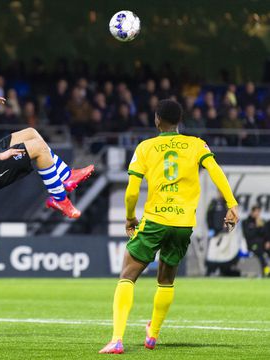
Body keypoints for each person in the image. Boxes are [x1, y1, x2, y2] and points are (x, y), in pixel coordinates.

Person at [99, 99, 239, 354]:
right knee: (166, 281)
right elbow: (215, 170)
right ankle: (152, 334)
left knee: (127, 275)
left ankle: (117, 339)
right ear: (180, 120)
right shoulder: (196, 144)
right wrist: (232, 204)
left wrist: (130, 217)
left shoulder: (145, 147)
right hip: (183, 223)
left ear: (156, 119)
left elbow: (132, 191)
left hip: (155, 219)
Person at [242, 206, 270, 277]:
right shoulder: (246, 222)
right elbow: (248, 235)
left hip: (262, 244)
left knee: (265, 250)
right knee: (260, 253)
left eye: (259, 212)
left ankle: (266, 270)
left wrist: (268, 241)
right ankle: (265, 271)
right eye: (256, 212)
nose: (258, 214)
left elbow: (265, 234)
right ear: (252, 212)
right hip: (252, 244)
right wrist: (257, 227)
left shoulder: (261, 221)